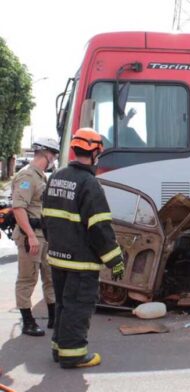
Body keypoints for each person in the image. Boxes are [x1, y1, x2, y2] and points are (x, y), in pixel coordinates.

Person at [42, 128, 125, 369]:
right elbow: (99, 228)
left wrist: (56, 245)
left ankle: (60, 348)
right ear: (96, 152)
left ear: (74, 149)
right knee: (77, 306)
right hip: (81, 262)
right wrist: (115, 260)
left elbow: (46, 218)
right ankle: (74, 354)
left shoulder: (56, 176)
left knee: (64, 305)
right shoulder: (89, 183)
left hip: (58, 258)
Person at [11, 138, 60, 336]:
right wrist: (30, 236)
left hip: (44, 235)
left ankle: (54, 317)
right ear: (47, 154)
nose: (55, 159)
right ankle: (28, 321)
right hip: (30, 236)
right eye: (54, 155)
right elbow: (19, 208)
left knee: (50, 277)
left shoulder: (41, 177)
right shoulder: (27, 176)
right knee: (27, 279)